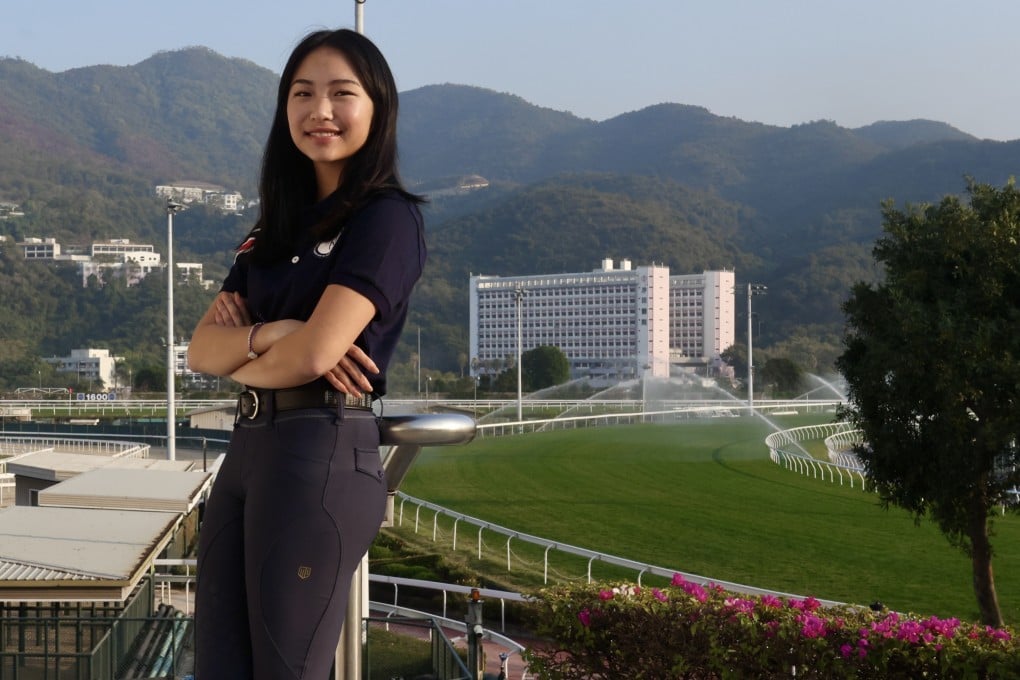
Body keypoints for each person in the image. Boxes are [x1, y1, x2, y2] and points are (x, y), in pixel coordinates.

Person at [187, 28, 426, 679]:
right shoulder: (272, 230)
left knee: (288, 669)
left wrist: (264, 350)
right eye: (302, 94)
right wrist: (271, 333)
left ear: (377, 109)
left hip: (318, 452)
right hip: (249, 449)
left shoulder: (385, 219)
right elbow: (199, 352)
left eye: (341, 94)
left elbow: (318, 353)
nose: (319, 110)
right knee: (220, 666)